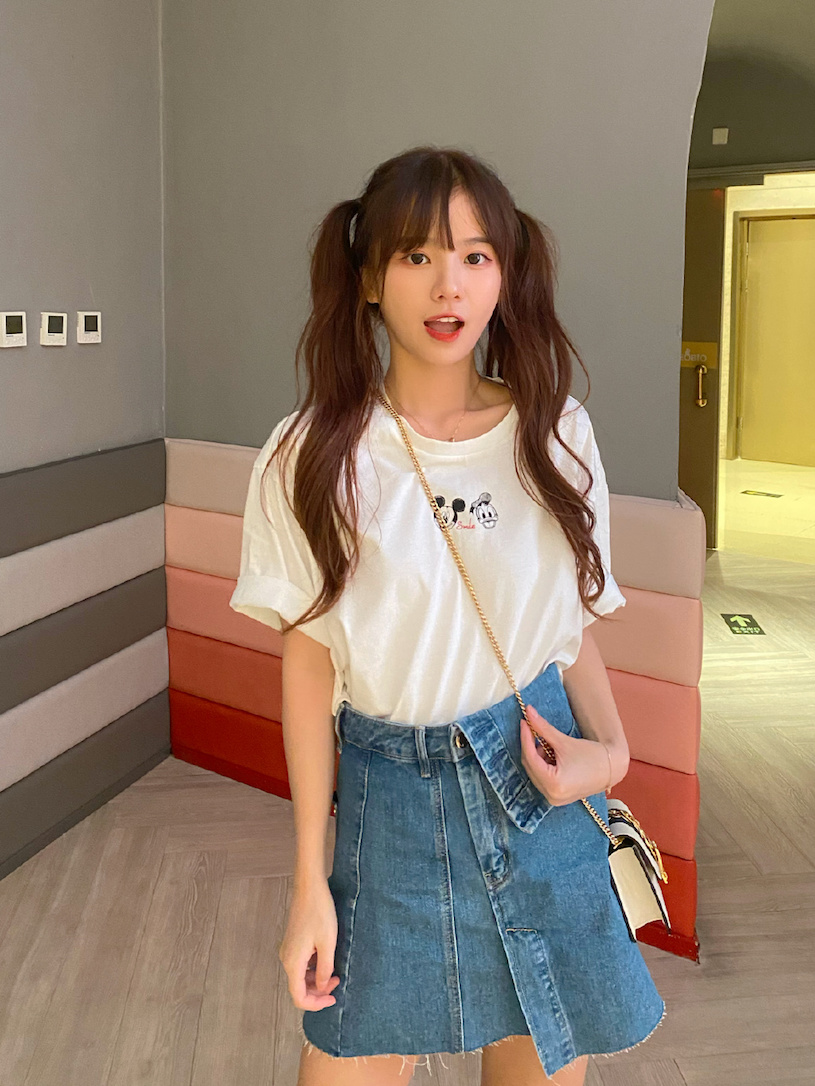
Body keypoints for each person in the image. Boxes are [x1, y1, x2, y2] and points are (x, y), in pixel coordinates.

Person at [229, 146, 666, 1086]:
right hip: (388, 808)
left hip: (538, 795)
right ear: (367, 279)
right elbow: (308, 669)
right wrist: (309, 883)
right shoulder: (311, 453)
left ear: (505, 275)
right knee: (346, 1060)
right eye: (415, 255)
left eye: (474, 255)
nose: (447, 284)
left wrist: (612, 755)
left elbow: (567, 630)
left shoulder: (556, 434)